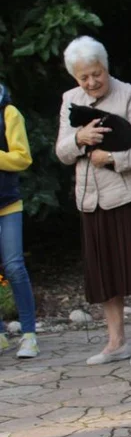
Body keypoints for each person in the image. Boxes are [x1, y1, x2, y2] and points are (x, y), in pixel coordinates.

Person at [56, 36, 131, 367]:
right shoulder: (70, 99)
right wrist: (79, 139)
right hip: (93, 200)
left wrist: (112, 158)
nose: (92, 82)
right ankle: (116, 342)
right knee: (105, 272)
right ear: (75, 78)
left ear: (105, 67)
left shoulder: (129, 95)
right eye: (84, 77)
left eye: (97, 73)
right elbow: (61, 151)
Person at [0, 83, 39, 359]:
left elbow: (22, 158)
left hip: (8, 203)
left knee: (14, 267)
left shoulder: (9, 112)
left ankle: (29, 336)